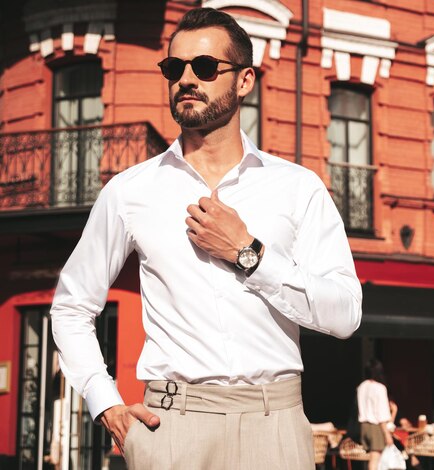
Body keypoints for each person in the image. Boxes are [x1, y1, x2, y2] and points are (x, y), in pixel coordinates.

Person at [50, 7, 362, 470]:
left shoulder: (298, 187)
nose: (186, 79)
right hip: (172, 428)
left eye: (205, 67)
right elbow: (72, 305)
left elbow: (346, 314)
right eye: (174, 68)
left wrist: (249, 254)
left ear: (244, 80)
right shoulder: (130, 191)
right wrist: (107, 403)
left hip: (274, 425)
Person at [357, 359, 394, 470]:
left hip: (364, 426)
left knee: (373, 457)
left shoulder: (361, 386)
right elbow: (381, 413)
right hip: (375, 426)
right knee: (375, 458)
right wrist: (387, 434)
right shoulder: (380, 388)